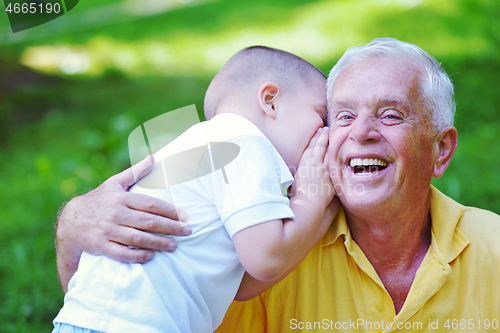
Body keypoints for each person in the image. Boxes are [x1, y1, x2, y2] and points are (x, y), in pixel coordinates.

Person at [56, 38, 500, 332]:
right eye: (337, 117)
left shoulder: (492, 249)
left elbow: (240, 281)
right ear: (269, 101)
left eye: (390, 115)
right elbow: (260, 266)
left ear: (440, 150)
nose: (357, 133)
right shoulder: (255, 178)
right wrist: (72, 226)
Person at [52, 46, 339, 333]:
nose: (326, 131)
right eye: (321, 116)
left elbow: (243, 284)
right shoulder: (244, 143)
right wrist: (310, 196)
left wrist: (324, 214)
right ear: (270, 100)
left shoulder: (210, 146)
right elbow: (266, 260)